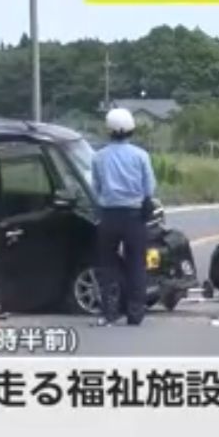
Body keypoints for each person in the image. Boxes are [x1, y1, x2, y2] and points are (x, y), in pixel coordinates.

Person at [90, 108, 157, 327]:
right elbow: (149, 189)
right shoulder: (141, 156)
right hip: (134, 216)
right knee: (136, 264)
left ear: (108, 130)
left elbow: (95, 189)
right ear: (131, 130)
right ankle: (135, 313)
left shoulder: (98, 157)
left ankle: (110, 311)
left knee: (107, 266)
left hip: (109, 216)